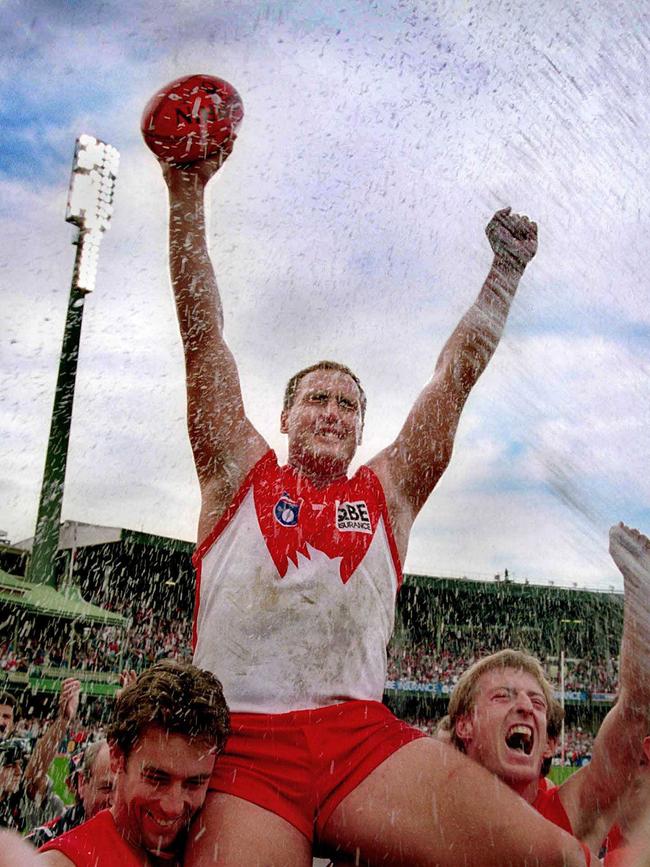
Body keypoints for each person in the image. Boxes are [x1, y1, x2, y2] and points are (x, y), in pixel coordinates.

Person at [159, 147, 597, 867]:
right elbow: (201, 334)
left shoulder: (387, 491)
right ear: (286, 414)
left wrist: (505, 272)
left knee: (557, 857)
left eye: (348, 404)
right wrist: (185, 190)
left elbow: (453, 379)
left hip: (359, 741)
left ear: (361, 426)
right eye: (317, 398)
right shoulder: (236, 470)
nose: (332, 411)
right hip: (244, 742)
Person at [446, 524, 650, 854]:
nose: (526, 707)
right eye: (503, 695)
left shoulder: (567, 816)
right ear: (464, 724)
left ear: (549, 746)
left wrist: (641, 590)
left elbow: (635, 709)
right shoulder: (426, 805)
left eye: (538, 703)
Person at [37, 660, 229, 866]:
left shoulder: (218, 848)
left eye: (194, 783)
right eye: (157, 778)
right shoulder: (63, 862)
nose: (173, 807)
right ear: (117, 757)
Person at [0, 679, 79, 832]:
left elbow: (35, 774)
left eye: (6, 717)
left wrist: (63, 720)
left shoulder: (18, 757)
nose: (1, 721)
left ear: (15, 724)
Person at [27, 740, 114, 847]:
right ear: (80, 783)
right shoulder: (47, 839)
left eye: (123, 788)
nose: (117, 800)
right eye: (107, 787)